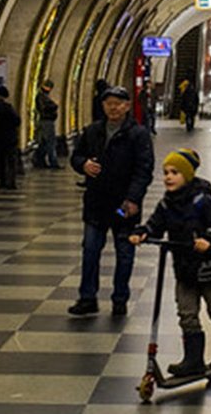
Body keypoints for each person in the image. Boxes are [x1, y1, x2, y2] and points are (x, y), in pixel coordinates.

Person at [130, 148, 211, 375]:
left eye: (174, 172)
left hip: (209, 269)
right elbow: (155, 224)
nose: (168, 177)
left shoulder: (204, 201)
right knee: (187, 314)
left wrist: (209, 238)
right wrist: (143, 232)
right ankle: (193, 359)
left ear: (187, 175)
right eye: (165, 172)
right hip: (184, 270)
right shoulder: (167, 204)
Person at [69, 86, 154, 316]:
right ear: (103, 106)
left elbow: (144, 170)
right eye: (109, 103)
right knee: (90, 250)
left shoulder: (138, 134)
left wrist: (133, 199)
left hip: (122, 207)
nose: (113, 107)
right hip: (97, 203)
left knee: (124, 252)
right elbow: (76, 156)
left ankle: (120, 298)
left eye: (118, 103)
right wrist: (83, 164)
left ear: (126, 106)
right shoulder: (92, 131)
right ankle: (87, 298)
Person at [33, 79, 61, 169]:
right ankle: (53, 162)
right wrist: (54, 105)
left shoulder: (43, 96)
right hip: (46, 122)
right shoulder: (41, 97)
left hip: (47, 121)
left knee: (44, 143)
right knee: (50, 142)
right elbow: (44, 108)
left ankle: (40, 160)